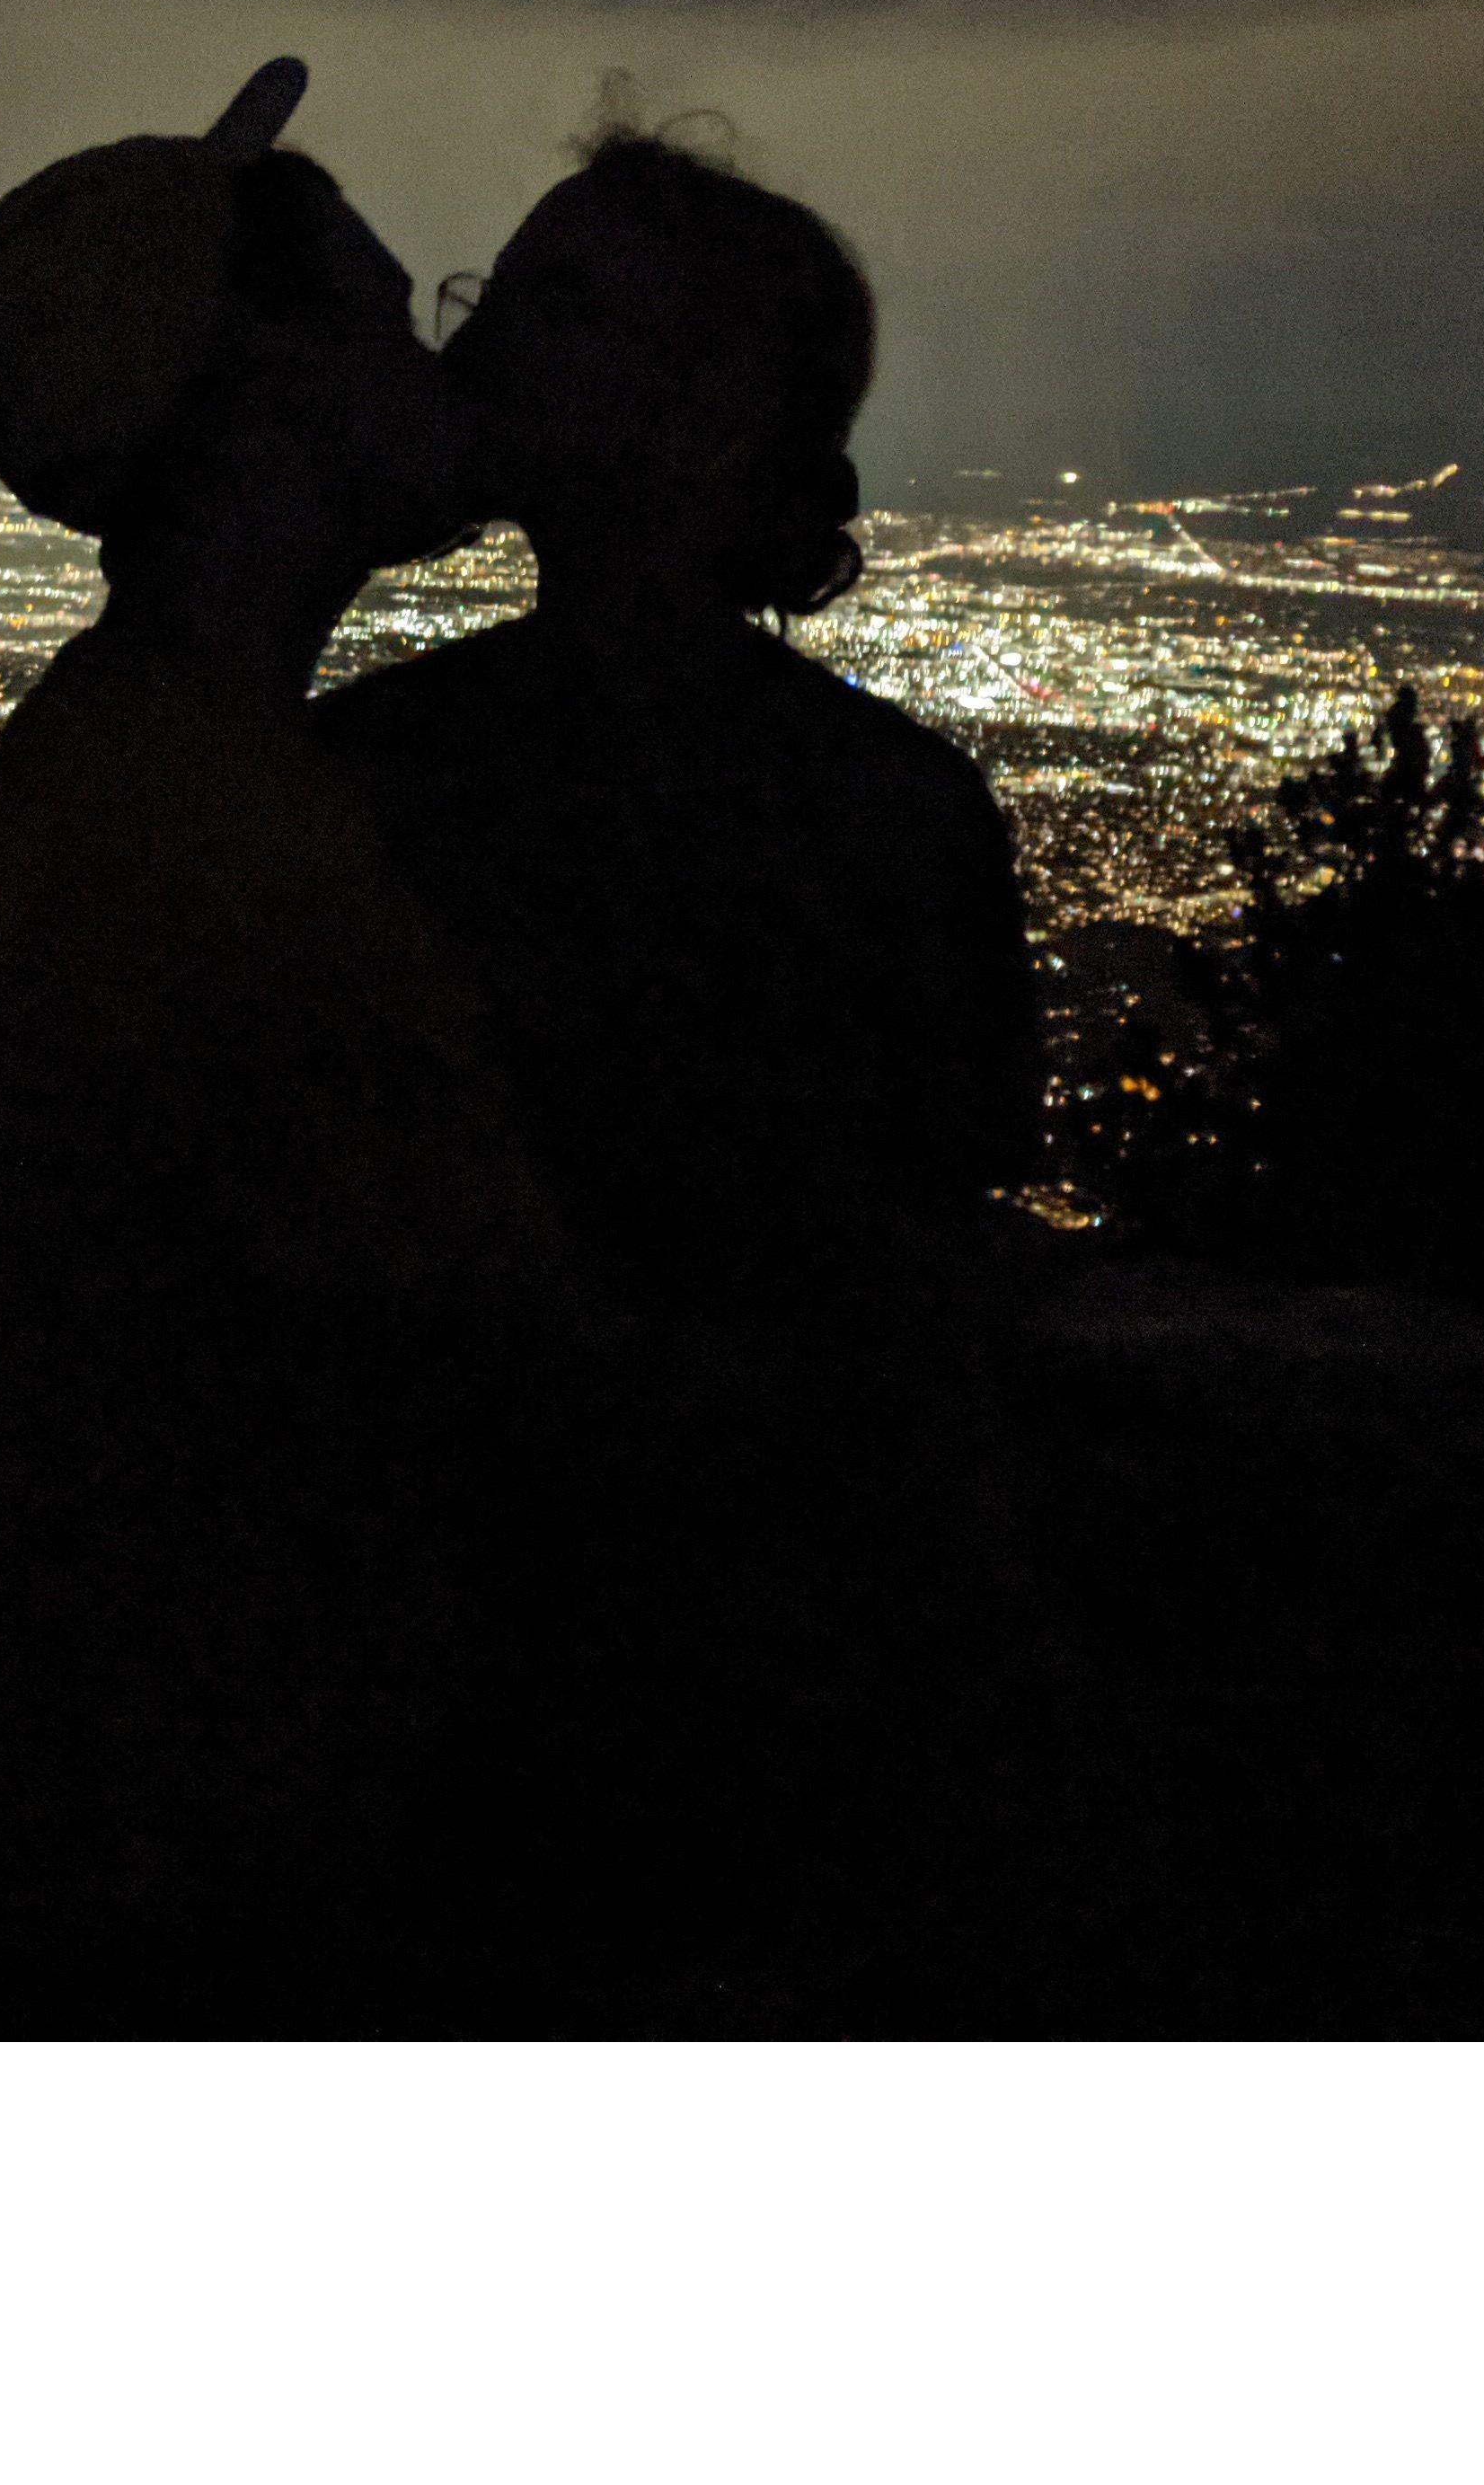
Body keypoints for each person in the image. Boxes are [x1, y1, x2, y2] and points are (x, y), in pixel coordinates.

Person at [311, 125, 1049, 2003]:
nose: (479, 342)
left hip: (480, 1658)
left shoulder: (392, 771)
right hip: (804, 1663)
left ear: (705, 420)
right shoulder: (901, 806)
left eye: (552, 306)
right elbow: (941, 1212)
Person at [0, 56, 588, 2014]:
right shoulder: (223, 838)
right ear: (269, 391)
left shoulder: (129, 760)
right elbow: (482, 1343)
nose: (433, 354)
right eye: (380, 317)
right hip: (229, 1850)